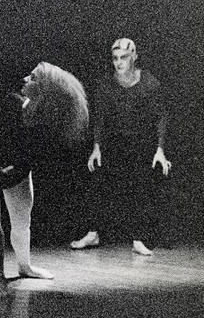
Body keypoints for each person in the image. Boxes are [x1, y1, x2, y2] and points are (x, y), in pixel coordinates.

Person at [0, 62, 89, 294]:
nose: (25, 78)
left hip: (14, 170)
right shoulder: (9, 103)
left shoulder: (46, 127)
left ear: (45, 91)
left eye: (33, 77)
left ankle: (24, 266)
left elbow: (27, 162)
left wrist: (5, 174)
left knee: (22, 222)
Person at [70, 38, 171, 255]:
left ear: (134, 57)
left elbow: (160, 117)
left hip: (141, 144)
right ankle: (93, 233)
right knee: (97, 181)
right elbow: (100, 118)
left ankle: (138, 239)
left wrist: (160, 149)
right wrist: (96, 147)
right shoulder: (106, 84)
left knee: (140, 187)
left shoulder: (149, 83)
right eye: (115, 58)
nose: (119, 62)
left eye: (123, 57)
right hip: (113, 143)